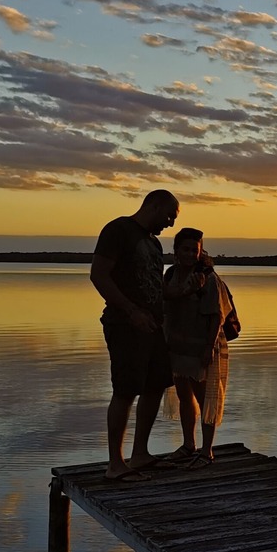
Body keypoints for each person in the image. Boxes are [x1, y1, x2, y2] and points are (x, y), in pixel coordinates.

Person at [90, 190, 179, 481]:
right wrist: (131, 311)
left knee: (156, 385)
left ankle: (139, 454)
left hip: (153, 326)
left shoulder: (154, 244)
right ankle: (115, 463)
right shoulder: (118, 230)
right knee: (126, 390)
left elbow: (155, 285)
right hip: (124, 323)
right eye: (169, 216)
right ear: (153, 206)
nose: (170, 224)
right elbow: (99, 275)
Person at [162, 227, 239, 468]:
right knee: (185, 395)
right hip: (177, 345)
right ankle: (188, 445)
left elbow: (217, 316)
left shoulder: (208, 278)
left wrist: (208, 347)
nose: (189, 254)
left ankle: (207, 451)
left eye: (194, 250)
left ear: (200, 251)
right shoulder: (171, 274)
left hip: (202, 346)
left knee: (205, 398)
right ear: (176, 250)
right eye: (185, 249)